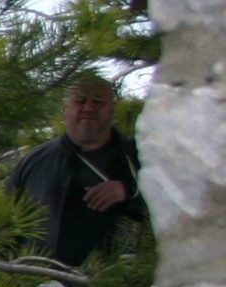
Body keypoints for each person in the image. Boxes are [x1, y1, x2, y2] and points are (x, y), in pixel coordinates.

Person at [8, 73, 147, 270]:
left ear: (112, 109)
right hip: (36, 284)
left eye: (98, 102)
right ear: (65, 108)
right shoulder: (34, 162)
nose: (88, 108)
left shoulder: (139, 157)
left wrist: (128, 189)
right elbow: (6, 226)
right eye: (80, 101)